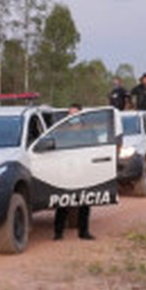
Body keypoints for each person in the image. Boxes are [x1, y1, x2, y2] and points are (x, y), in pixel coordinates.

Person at [53, 103, 96, 241]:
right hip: (67, 170)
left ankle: (84, 232)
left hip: (83, 170)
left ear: (81, 115)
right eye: (70, 114)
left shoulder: (89, 131)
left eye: (75, 114)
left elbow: (95, 147)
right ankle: (58, 233)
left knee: (85, 202)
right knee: (63, 202)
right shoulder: (61, 130)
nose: (72, 117)